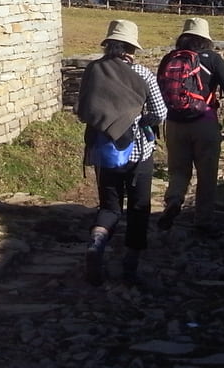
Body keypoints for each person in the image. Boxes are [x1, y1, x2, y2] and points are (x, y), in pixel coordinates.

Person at [74, 18, 166, 286]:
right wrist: (140, 120)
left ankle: (97, 242)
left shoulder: (94, 70)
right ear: (131, 48)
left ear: (109, 44)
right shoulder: (143, 74)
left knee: (110, 207)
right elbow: (160, 113)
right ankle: (130, 266)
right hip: (138, 152)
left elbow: (84, 110)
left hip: (105, 152)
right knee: (139, 208)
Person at [156, 17, 224, 233]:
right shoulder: (212, 58)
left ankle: (174, 201)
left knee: (178, 170)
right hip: (204, 122)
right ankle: (203, 219)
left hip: (174, 123)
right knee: (207, 173)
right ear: (206, 39)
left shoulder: (170, 58)